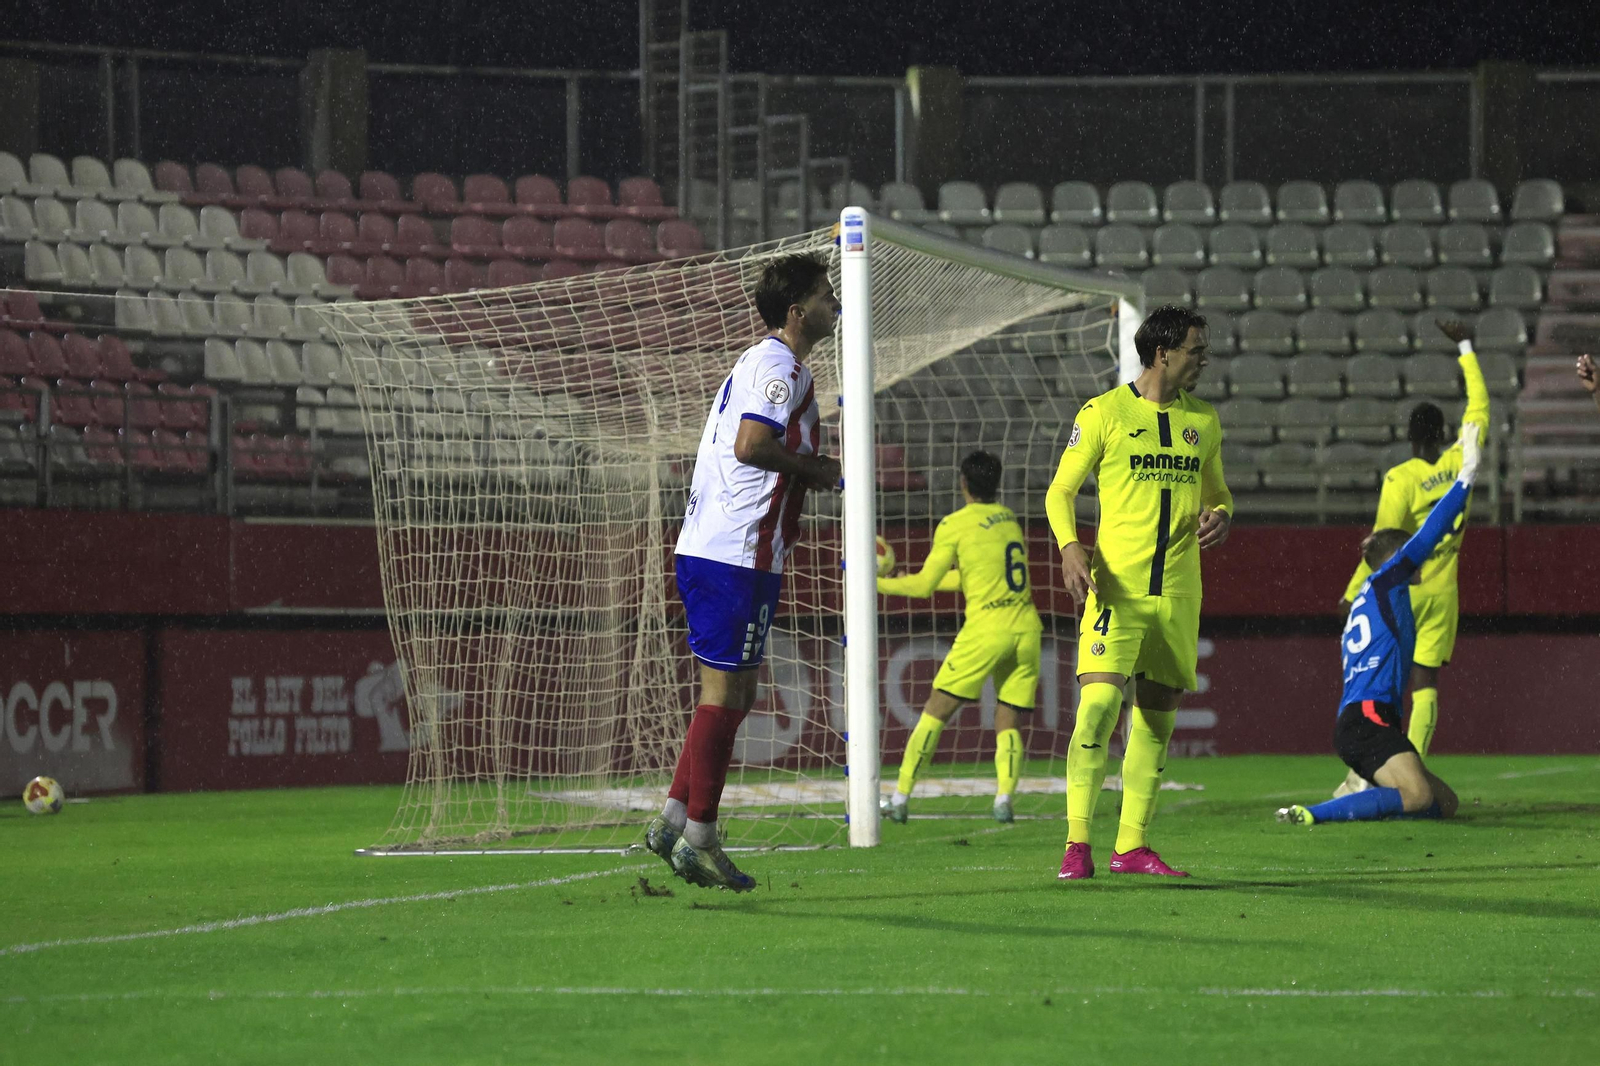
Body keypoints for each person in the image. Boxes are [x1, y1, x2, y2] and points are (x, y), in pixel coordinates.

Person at [645, 253, 841, 892]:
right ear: (797, 311)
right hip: (735, 553)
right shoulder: (778, 364)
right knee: (727, 693)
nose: (833, 304)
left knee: (735, 691)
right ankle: (701, 831)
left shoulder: (768, 361)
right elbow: (751, 446)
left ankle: (675, 817)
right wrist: (819, 471)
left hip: (721, 547)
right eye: (823, 294)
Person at [1044, 305, 1232, 879]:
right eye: (1196, 350)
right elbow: (1060, 492)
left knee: (1156, 721)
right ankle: (1078, 844)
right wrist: (1070, 547)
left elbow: (1219, 493)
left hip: (1178, 593)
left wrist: (1222, 515)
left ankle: (1131, 846)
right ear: (1163, 353)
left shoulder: (1205, 422)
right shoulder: (1103, 413)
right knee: (1099, 707)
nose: (1204, 359)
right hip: (1115, 590)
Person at [1277, 424, 1482, 826]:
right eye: (1409, 556)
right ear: (1396, 560)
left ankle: (1377, 799)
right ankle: (1311, 815)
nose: (1419, 560)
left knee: (1445, 802)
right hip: (1368, 720)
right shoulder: (1388, 583)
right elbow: (1430, 534)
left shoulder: (1369, 598)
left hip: (1367, 719)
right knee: (1420, 795)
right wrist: (1467, 475)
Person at [1331, 321, 1489, 797]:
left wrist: (1350, 594)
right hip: (1439, 593)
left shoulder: (1401, 478)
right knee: (1425, 686)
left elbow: (1381, 548)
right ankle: (1409, 770)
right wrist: (1465, 348)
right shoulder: (1455, 461)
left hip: (1398, 593)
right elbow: (1480, 408)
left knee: (1381, 683)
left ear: (1408, 435)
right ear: (1442, 433)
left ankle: (1370, 771)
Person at [876, 451, 1044, 826]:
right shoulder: (1008, 520)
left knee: (935, 711)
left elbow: (923, 587)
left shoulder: (955, 524)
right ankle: (1003, 799)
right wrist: (902, 579)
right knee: (1008, 720)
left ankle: (900, 798)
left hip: (986, 630)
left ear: (962, 483)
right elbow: (968, 579)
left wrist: (875, 583)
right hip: (1026, 630)